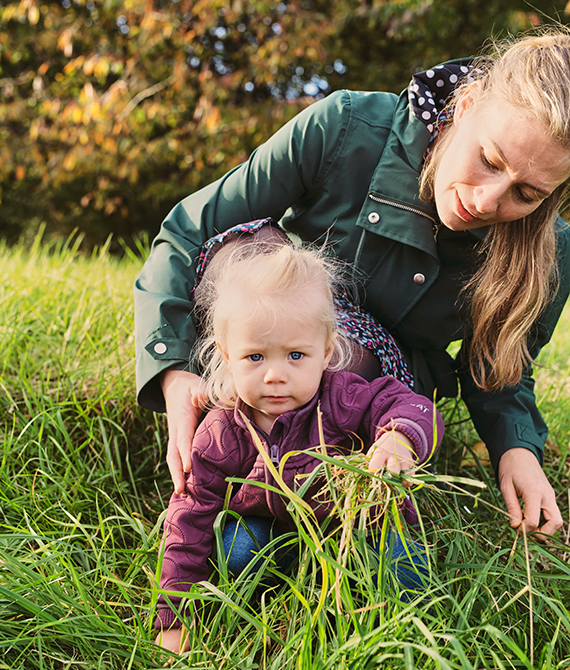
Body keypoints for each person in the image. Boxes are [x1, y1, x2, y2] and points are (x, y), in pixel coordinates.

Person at [135, 30, 570, 538]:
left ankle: (287, 503)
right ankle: (228, 452)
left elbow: (500, 365)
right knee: (244, 252)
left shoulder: (552, 250)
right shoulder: (344, 126)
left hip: (380, 391)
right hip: (282, 317)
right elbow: (192, 230)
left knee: (345, 354)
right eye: (489, 160)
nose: (488, 200)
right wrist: (171, 372)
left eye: (526, 192)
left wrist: (516, 448)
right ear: (466, 103)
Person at [154, 242, 444, 652]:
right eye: (255, 356)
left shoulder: (342, 399)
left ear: (325, 352)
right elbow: (188, 521)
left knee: (404, 566)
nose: (275, 375)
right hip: (271, 531)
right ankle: (289, 581)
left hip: (353, 530)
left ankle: (401, 627)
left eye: (295, 355)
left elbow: (414, 406)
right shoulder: (222, 432)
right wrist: (175, 616)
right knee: (232, 551)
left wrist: (399, 437)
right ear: (226, 355)